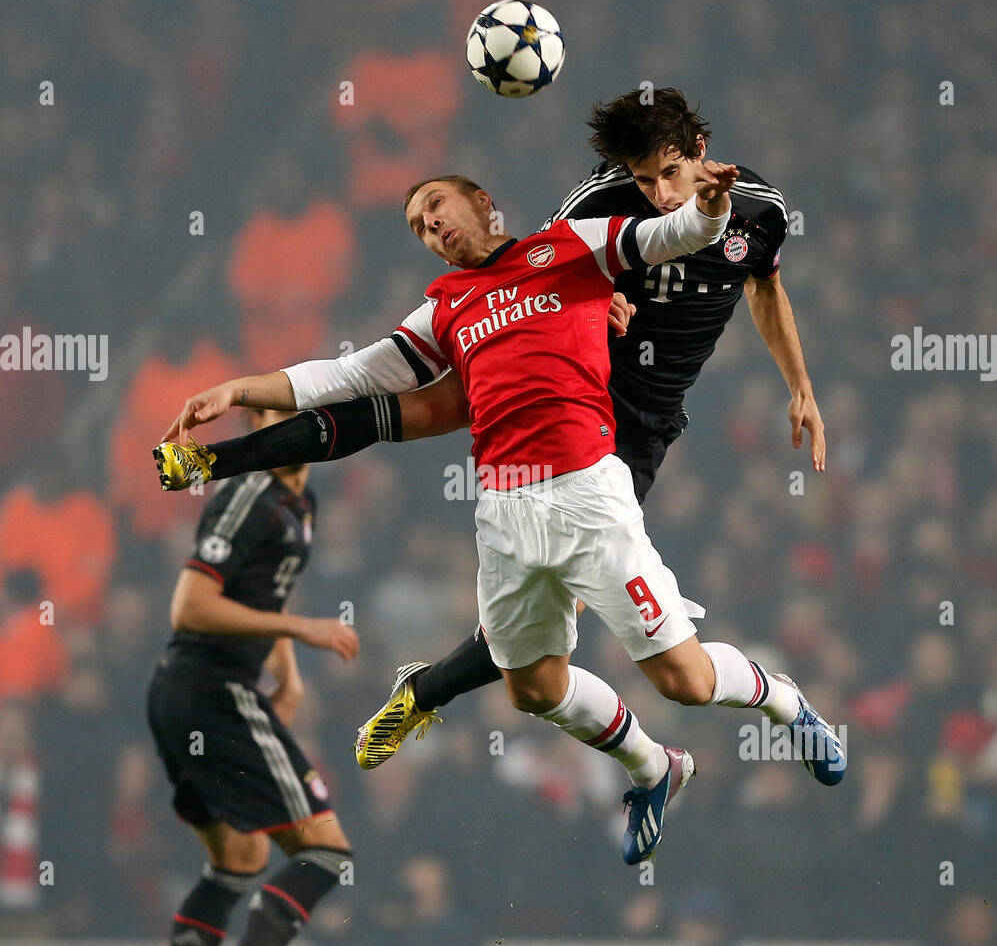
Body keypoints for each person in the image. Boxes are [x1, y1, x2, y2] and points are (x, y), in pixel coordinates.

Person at [154, 164, 844, 870]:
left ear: (481, 201)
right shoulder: (446, 305)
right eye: (419, 227)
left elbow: (679, 232)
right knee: (532, 688)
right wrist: (238, 386)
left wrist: (708, 205)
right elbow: (350, 374)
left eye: (436, 207)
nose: (432, 228)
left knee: (685, 682)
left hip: (588, 496)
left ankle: (782, 704)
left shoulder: (570, 246)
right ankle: (652, 765)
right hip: (504, 512)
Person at [143, 410, 358, 946]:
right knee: (325, 852)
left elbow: (265, 594)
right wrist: (302, 633)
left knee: (235, 861)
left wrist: (284, 670)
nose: (283, 431)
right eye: (269, 420)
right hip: (210, 688)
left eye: (295, 418)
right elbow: (190, 605)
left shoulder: (303, 499)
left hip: (195, 692)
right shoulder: (244, 494)